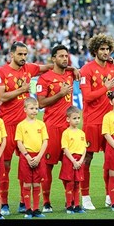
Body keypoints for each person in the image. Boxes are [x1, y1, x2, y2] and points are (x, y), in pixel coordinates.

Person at [0, 41, 57, 215]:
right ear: (11, 54)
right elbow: (2, 96)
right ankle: (4, 203)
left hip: (26, 126)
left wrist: (70, 68)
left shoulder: (29, 68)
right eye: (20, 54)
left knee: (27, 165)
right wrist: (21, 89)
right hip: (7, 125)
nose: (23, 57)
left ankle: (24, 202)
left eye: (25, 54)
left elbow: (48, 67)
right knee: (5, 165)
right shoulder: (0, 72)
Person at [36, 45, 76, 213]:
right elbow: (40, 103)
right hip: (51, 127)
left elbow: (85, 69)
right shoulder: (44, 79)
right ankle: (46, 202)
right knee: (48, 166)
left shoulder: (70, 74)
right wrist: (60, 93)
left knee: (70, 165)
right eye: (61, 56)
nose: (64, 59)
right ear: (53, 58)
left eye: (66, 56)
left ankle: (71, 202)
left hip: (69, 129)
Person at [79, 33, 114, 209]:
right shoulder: (86, 69)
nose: (105, 52)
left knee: (111, 159)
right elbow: (87, 97)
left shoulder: (112, 67)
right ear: (95, 50)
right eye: (102, 49)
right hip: (92, 121)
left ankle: (110, 195)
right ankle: (85, 198)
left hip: (110, 121)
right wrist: (105, 87)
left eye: (107, 49)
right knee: (87, 158)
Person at [15, 97, 48, 219]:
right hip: (26, 158)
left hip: (39, 157)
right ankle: (28, 209)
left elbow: (45, 141)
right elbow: (19, 143)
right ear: (25, 109)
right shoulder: (21, 125)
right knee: (27, 184)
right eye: (31, 108)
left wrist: (39, 156)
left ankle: (36, 209)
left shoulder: (41, 124)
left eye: (36, 108)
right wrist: (28, 157)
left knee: (37, 184)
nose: (34, 111)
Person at [59, 106, 87, 214]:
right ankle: (69, 206)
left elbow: (84, 148)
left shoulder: (81, 133)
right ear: (68, 119)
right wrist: (73, 161)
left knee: (77, 184)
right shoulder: (66, 133)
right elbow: (65, 148)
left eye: (78, 118)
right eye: (74, 118)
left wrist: (80, 161)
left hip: (79, 161)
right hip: (70, 160)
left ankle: (77, 205)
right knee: (70, 184)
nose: (77, 120)